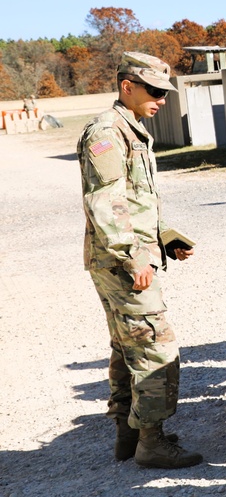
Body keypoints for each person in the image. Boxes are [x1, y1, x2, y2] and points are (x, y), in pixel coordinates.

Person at [76, 51, 201, 468]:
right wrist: (134, 257)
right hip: (122, 262)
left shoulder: (131, 130)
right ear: (127, 87)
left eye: (165, 92)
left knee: (126, 345)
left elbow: (134, 200)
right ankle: (152, 442)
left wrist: (164, 239)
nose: (162, 99)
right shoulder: (107, 132)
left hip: (122, 256)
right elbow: (105, 201)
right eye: (154, 91)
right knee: (154, 347)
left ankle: (128, 436)